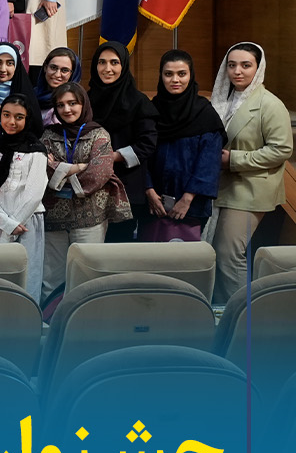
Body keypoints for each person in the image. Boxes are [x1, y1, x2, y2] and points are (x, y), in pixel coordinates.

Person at [211, 42, 291, 304]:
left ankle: (244, 316)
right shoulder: (222, 99)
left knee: (229, 255)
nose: (237, 71)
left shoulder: (269, 104)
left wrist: (234, 159)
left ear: (259, 68)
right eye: (232, 65)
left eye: (246, 65)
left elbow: (281, 150)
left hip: (250, 188)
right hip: (222, 186)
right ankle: (223, 312)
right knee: (215, 253)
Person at [40, 82, 128, 302]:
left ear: (83, 104)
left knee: (87, 274)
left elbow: (99, 173)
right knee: (51, 277)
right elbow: (42, 169)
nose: (66, 109)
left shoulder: (99, 134)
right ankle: (50, 317)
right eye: (60, 105)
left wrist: (60, 168)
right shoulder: (48, 135)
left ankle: (84, 317)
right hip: (54, 217)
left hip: (90, 217)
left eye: (73, 103)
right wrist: (80, 167)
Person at [143, 50, 225, 245]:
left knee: (185, 258)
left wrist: (187, 199)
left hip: (191, 205)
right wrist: (148, 190)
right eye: (168, 74)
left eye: (182, 74)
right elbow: (142, 154)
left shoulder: (204, 113)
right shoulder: (151, 111)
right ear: (161, 76)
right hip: (154, 202)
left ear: (191, 75)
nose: (175, 80)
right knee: (150, 256)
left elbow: (209, 162)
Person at [86, 40, 159, 243]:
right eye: (102, 62)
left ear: (124, 65)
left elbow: (147, 144)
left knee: (117, 247)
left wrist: (114, 157)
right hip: (91, 187)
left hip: (126, 187)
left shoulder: (139, 101)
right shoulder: (86, 99)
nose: (107, 68)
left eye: (114, 62)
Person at [0, 94, 51, 299]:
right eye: (6, 115)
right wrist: (5, 223)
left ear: (28, 119)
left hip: (26, 222)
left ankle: (26, 316)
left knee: (26, 277)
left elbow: (34, 193)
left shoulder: (36, 151)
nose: (11, 121)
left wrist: (11, 227)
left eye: (19, 117)